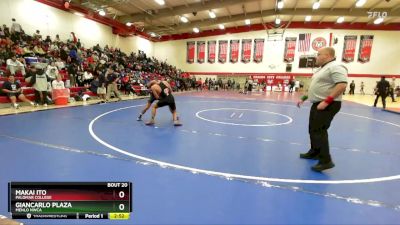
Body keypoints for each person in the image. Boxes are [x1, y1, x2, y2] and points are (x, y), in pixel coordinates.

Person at [296, 47, 347, 172]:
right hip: (318, 103)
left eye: (319, 54)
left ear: (328, 55)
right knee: (312, 129)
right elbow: (316, 87)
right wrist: (303, 98)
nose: (316, 57)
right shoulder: (321, 69)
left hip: (328, 104)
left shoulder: (336, 66)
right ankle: (314, 152)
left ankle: (326, 160)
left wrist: (326, 101)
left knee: (319, 131)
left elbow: (342, 84)